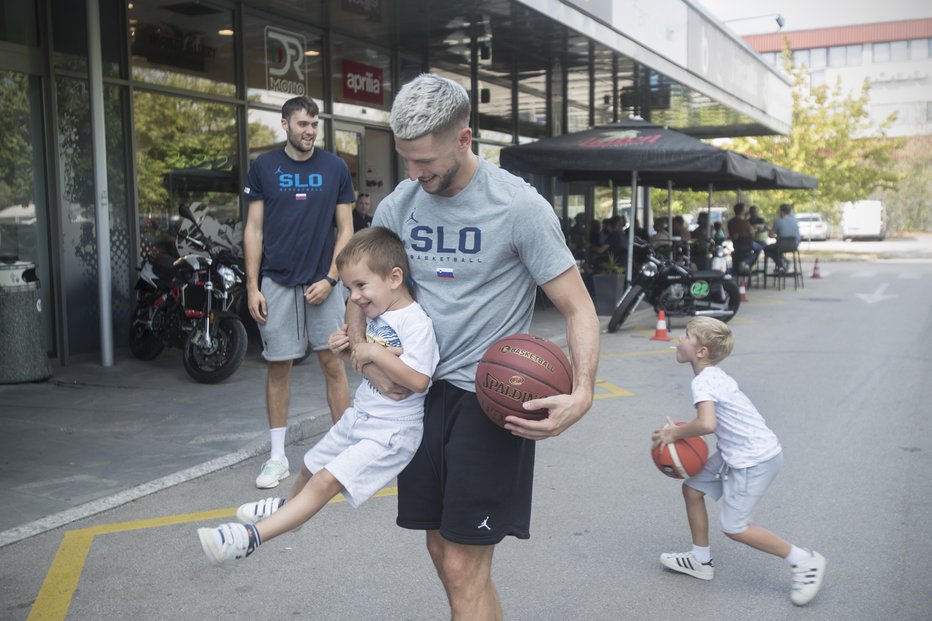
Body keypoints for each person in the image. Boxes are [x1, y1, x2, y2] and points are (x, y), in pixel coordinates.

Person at [348, 73, 600, 620]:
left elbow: (579, 307)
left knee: (464, 565)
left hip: (488, 400)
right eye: (406, 161)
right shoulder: (401, 205)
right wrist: (366, 356)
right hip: (418, 398)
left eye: (425, 163)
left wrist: (582, 393)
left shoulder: (518, 207)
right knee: (443, 550)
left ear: (464, 139)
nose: (414, 174)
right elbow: (364, 289)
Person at [198, 227, 440, 564]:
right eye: (349, 288)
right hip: (361, 416)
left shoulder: (415, 323)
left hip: (392, 432)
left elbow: (419, 380)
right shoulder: (378, 313)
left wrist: (374, 352)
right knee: (311, 466)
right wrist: (350, 353)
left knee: (326, 480)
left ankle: (250, 538)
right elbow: (373, 365)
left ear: (394, 277)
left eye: (361, 286)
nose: (354, 297)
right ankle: (286, 511)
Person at [652, 317, 826, 606]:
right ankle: (700, 560)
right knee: (692, 489)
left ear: (701, 352)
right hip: (739, 451)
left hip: (753, 459)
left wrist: (675, 433)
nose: (678, 339)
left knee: (735, 527)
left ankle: (804, 560)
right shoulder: (714, 374)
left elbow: (707, 424)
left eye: (686, 336)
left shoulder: (704, 381)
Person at [243, 95, 355, 490]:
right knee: (279, 366)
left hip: (322, 282)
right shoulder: (264, 167)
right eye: (303, 124)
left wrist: (330, 278)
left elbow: (346, 230)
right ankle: (277, 458)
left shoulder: (335, 167)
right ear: (285, 124)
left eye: (314, 124)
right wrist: (252, 285)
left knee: (333, 364)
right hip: (276, 281)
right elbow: (254, 229)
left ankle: (344, 452)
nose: (309, 131)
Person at [763, 204, 801, 268]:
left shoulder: (778, 221)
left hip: (781, 245)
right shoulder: (795, 220)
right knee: (776, 250)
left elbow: (770, 235)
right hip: (794, 245)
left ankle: (782, 263)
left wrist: (769, 231)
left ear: (781, 212)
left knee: (766, 249)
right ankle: (784, 262)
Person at [726, 203, 762, 268]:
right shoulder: (745, 223)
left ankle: (745, 265)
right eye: (745, 209)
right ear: (742, 211)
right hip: (747, 244)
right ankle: (747, 262)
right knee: (759, 248)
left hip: (736, 245)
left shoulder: (730, 222)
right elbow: (752, 235)